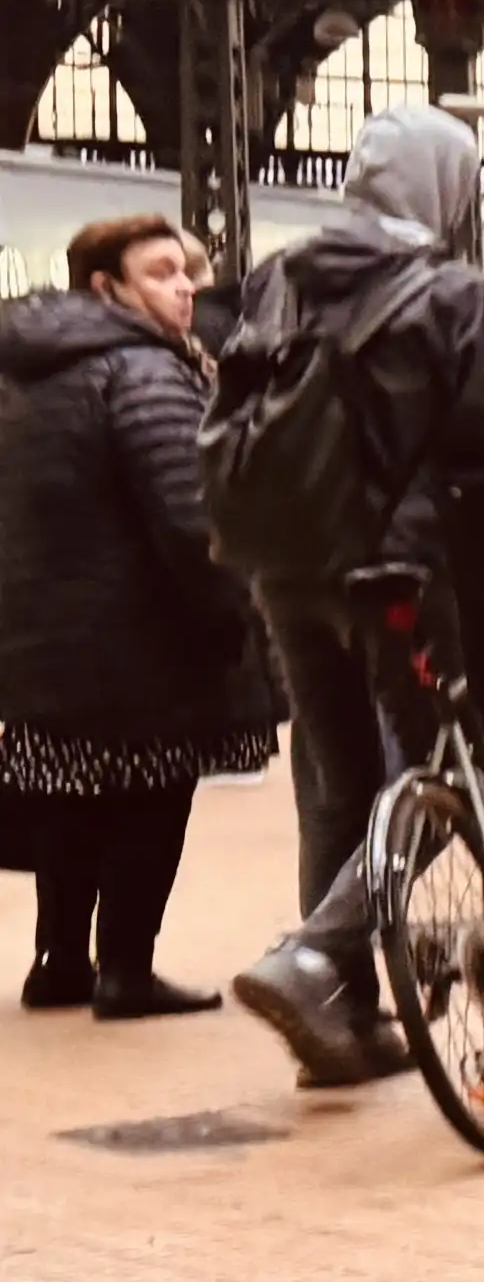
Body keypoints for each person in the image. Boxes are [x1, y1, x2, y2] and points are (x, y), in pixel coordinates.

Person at [210, 108, 484, 1086]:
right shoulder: (459, 298)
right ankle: (311, 957)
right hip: (401, 579)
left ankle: (342, 1027)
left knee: (338, 787)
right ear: (446, 188)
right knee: (450, 777)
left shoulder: (278, 278)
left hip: (284, 566)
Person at [0, 213, 265, 1017]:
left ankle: (57, 959)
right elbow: (189, 515)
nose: (186, 287)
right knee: (153, 792)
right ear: (105, 287)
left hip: (39, 630)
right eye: (161, 273)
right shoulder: (144, 371)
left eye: (186, 271)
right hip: (141, 636)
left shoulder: (24, 368)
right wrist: (231, 610)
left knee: (67, 789)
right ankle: (124, 966)